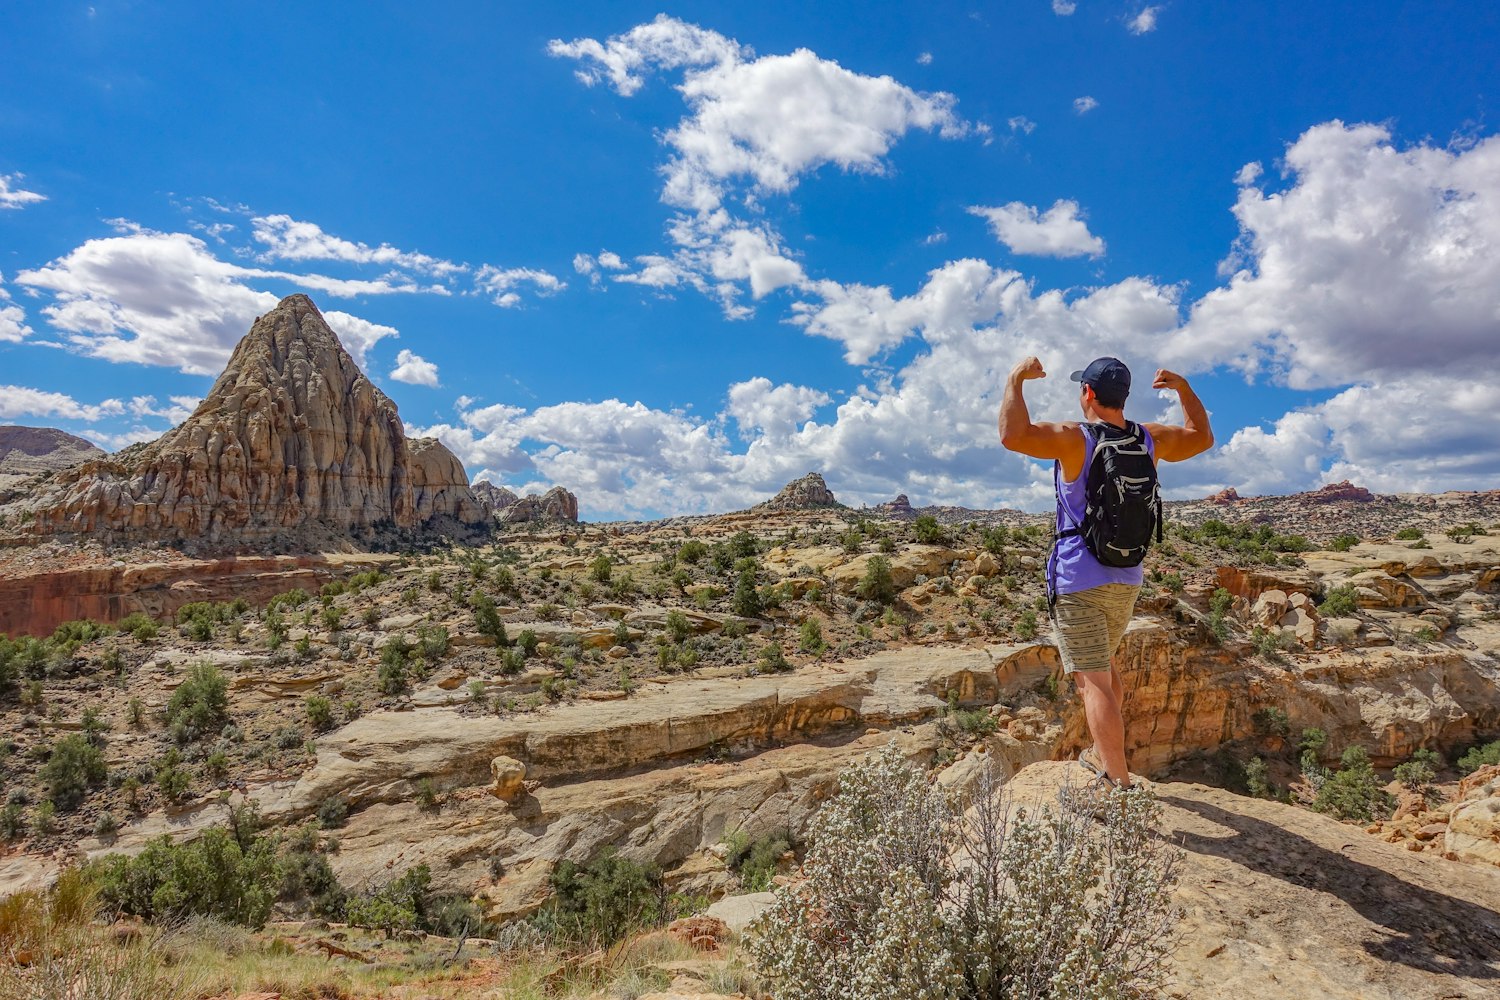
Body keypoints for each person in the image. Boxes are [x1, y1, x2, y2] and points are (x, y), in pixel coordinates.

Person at [998, 355, 1213, 790]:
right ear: (1123, 396)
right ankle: (1104, 755)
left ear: (1089, 392)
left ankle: (1117, 783)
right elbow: (1200, 437)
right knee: (1108, 670)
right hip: (1127, 577)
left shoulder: (1074, 438)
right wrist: (1184, 389)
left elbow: (1012, 435)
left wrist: (1015, 380)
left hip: (1078, 579)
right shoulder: (1148, 438)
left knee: (1092, 682)